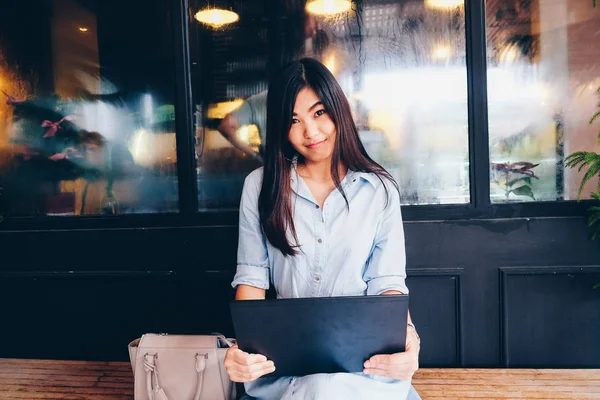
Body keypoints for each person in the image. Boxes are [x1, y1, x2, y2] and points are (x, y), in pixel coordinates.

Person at [224, 58, 422, 400]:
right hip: (286, 365)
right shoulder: (260, 186)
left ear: (338, 110)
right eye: (293, 120)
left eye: (318, 113)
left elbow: (387, 283)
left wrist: (408, 339)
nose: (310, 133)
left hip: (365, 364)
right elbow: (252, 277)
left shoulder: (380, 190)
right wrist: (244, 351)